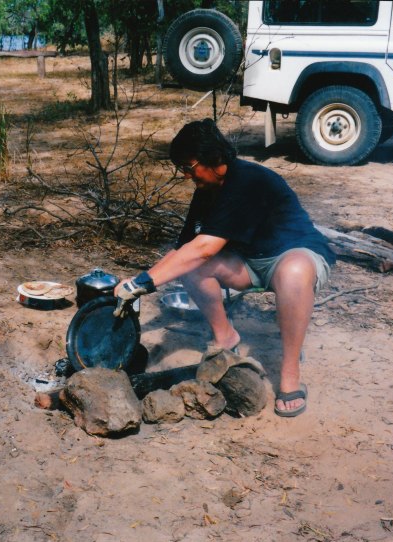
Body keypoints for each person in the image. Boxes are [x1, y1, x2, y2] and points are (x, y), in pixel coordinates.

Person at [114, 119, 334, 418]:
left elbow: (205, 247)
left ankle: (290, 373)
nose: (186, 175)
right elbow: (184, 250)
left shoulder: (248, 180)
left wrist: (144, 283)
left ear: (214, 159)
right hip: (250, 263)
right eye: (182, 169)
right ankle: (225, 337)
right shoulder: (207, 190)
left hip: (295, 256)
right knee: (190, 267)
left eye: (189, 167)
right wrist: (138, 280)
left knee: (292, 272)